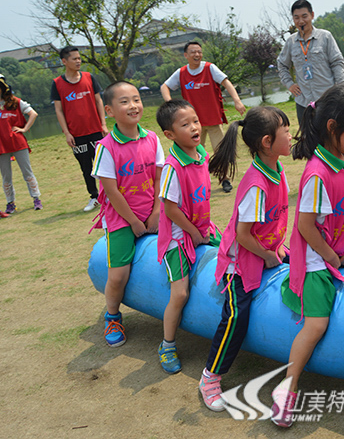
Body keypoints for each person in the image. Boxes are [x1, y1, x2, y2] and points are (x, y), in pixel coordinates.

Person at [272, 83, 344, 428]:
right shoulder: (318, 173)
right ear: (333, 127)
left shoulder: (342, 160)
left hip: (342, 250)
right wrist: (330, 257)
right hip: (318, 259)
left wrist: (343, 254)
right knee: (316, 325)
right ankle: (288, 388)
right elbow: (305, 226)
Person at [199, 106, 292, 411]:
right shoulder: (256, 184)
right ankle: (210, 377)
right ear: (267, 141)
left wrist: (277, 250)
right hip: (242, 260)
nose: (291, 136)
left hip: (269, 250)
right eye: (286, 132)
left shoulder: (277, 169)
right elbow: (242, 234)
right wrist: (267, 255)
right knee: (236, 316)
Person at [90, 81, 164, 347]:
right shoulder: (106, 147)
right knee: (119, 274)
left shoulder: (153, 138)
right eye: (124, 102)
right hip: (123, 219)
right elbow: (111, 191)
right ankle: (112, 315)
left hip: (153, 212)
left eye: (136, 99)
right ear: (109, 110)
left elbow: (159, 179)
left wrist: (156, 212)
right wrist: (133, 221)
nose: (133, 106)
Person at [155, 99, 221, 374]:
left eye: (195, 121)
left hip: (202, 228)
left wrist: (203, 229)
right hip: (179, 237)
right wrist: (193, 232)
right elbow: (170, 209)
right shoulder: (172, 167)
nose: (194, 127)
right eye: (185, 125)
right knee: (180, 293)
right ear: (169, 135)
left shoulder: (201, 154)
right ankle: (167, 344)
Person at [160, 41, 246, 193]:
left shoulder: (209, 68)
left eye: (199, 51)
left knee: (220, 150)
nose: (197, 54)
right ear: (186, 55)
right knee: (194, 152)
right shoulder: (181, 73)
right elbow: (164, 86)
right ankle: (198, 182)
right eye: (193, 52)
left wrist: (237, 101)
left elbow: (226, 82)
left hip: (212, 118)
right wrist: (170, 106)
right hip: (192, 123)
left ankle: (224, 179)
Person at [51, 46, 109, 212]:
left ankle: (110, 196)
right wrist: (67, 133)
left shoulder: (89, 78)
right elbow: (59, 110)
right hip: (76, 135)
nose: (78, 61)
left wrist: (103, 124)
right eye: (74, 58)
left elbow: (99, 101)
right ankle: (94, 197)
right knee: (86, 168)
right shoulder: (57, 84)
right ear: (64, 61)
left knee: (104, 165)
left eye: (79, 58)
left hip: (96, 130)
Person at [277, 0, 344, 125]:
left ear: (312, 15)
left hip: (327, 100)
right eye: (296, 17)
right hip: (303, 102)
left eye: (304, 16)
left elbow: (337, 62)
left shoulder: (325, 37)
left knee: (331, 138)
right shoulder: (291, 42)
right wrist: (289, 84)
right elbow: (282, 64)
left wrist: (342, 90)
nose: (301, 21)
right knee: (307, 140)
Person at [0, 73, 42, 213]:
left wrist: (24, 129)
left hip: (18, 142)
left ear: (2, 86)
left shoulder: (15, 101)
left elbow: (33, 113)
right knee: (6, 177)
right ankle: (10, 203)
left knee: (27, 173)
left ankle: (36, 199)